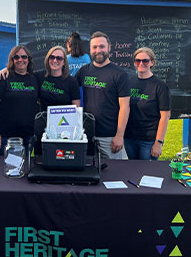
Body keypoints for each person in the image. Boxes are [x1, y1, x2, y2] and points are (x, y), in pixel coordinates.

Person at [76, 31, 130, 159]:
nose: (98, 50)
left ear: (109, 48)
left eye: (102, 46)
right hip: (86, 134)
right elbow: (69, 89)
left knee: (117, 173)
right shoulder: (84, 71)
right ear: (90, 49)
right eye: (94, 47)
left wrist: (119, 136)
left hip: (109, 137)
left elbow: (125, 107)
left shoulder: (119, 74)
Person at [0, 45, 39, 156]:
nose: (20, 60)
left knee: (24, 167)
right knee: (7, 168)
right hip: (7, 136)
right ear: (12, 60)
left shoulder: (35, 79)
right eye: (16, 57)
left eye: (24, 57)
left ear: (29, 59)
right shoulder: (3, 78)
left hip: (29, 135)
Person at [124, 47, 170, 160]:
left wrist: (158, 142)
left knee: (147, 175)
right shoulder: (129, 82)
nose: (141, 63)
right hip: (129, 138)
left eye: (145, 61)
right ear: (134, 63)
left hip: (149, 141)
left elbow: (165, 116)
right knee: (131, 173)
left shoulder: (160, 86)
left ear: (152, 62)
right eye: (137, 60)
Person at [35, 45, 81, 111]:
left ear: (64, 62)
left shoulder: (72, 82)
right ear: (48, 59)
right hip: (44, 119)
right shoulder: (39, 76)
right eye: (52, 57)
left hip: (64, 120)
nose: (55, 60)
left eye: (59, 58)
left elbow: (77, 108)